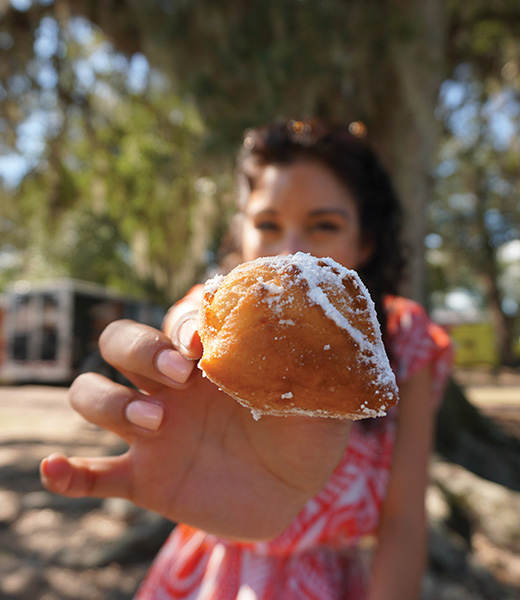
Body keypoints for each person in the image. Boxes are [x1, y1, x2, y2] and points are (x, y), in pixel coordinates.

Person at [40, 119, 452, 600]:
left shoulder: (404, 341)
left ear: (366, 242)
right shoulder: (217, 324)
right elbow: (186, 323)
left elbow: (404, 520)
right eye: (267, 224)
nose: (290, 248)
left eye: (325, 225)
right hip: (204, 578)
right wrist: (180, 350)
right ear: (241, 236)